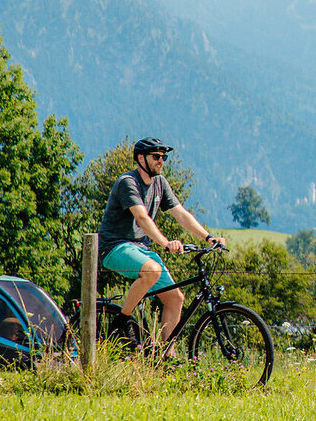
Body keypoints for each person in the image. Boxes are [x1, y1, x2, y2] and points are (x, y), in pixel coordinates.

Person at [96, 137, 225, 353]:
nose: (161, 161)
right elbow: (142, 218)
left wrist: (208, 237)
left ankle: (167, 356)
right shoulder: (127, 182)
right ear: (141, 158)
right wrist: (165, 243)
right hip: (114, 247)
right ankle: (121, 321)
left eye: (163, 157)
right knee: (152, 270)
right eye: (156, 156)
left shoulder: (160, 183)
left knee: (175, 298)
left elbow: (181, 214)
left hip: (140, 249)